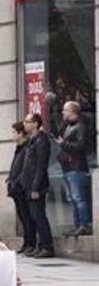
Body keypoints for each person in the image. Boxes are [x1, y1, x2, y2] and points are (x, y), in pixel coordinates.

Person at [20, 112, 55, 257]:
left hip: (37, 186)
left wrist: (35, 187)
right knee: (34, 217)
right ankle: (40, 246)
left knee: (39, 216)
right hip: (28, 185)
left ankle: (47, 246)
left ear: (35, 124)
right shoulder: (31, 140)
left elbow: (41, 166)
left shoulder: (42, 140)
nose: (25, 124)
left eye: (28, 122)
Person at [58, 100, 92, 237]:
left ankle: (84, 225)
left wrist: (63, 143)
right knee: (72, 198)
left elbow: (80, 146)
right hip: (68, 167)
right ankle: (77, 225)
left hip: (77, 167)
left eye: (65, 110)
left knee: (78, 197)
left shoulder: (80, 126)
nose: (63, 112)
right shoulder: (69, 126)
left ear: (72, 112)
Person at [8, 121, 32, 251]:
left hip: (22, 187)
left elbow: (25, 168)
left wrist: (18, 182)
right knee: (22, 216)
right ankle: (26, 243)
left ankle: (30, 243)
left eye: (14, 132)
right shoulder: (19, 148)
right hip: (16, 187)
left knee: (27, 216)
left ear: (21, 133)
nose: (12, 135)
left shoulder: (26, 147)